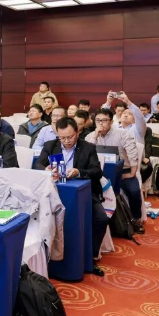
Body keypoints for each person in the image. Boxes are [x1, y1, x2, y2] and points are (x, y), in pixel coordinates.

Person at [34, 117, 107, 276]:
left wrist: (78, 172)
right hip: (51, 193)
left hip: (83, 194)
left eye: (70, 137)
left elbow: (97, 171)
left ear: (77, 133)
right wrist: (46, 169)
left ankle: (90, 256)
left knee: (101, 218)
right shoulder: (50, 145)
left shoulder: (88, 147)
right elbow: (37, 164)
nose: (66, 141)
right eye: (62, 138)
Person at [86, 108, 143, 232]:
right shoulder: (91, 136)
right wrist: (95, 136)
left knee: (133, 191)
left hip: (122, 170)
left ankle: (136, 219)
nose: (101, 123)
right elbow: (86, 153)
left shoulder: (122, 134)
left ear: (111, 121)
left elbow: (132, 153)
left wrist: (132, 173)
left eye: (104, 120)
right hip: (99, 173)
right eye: (98, 120)